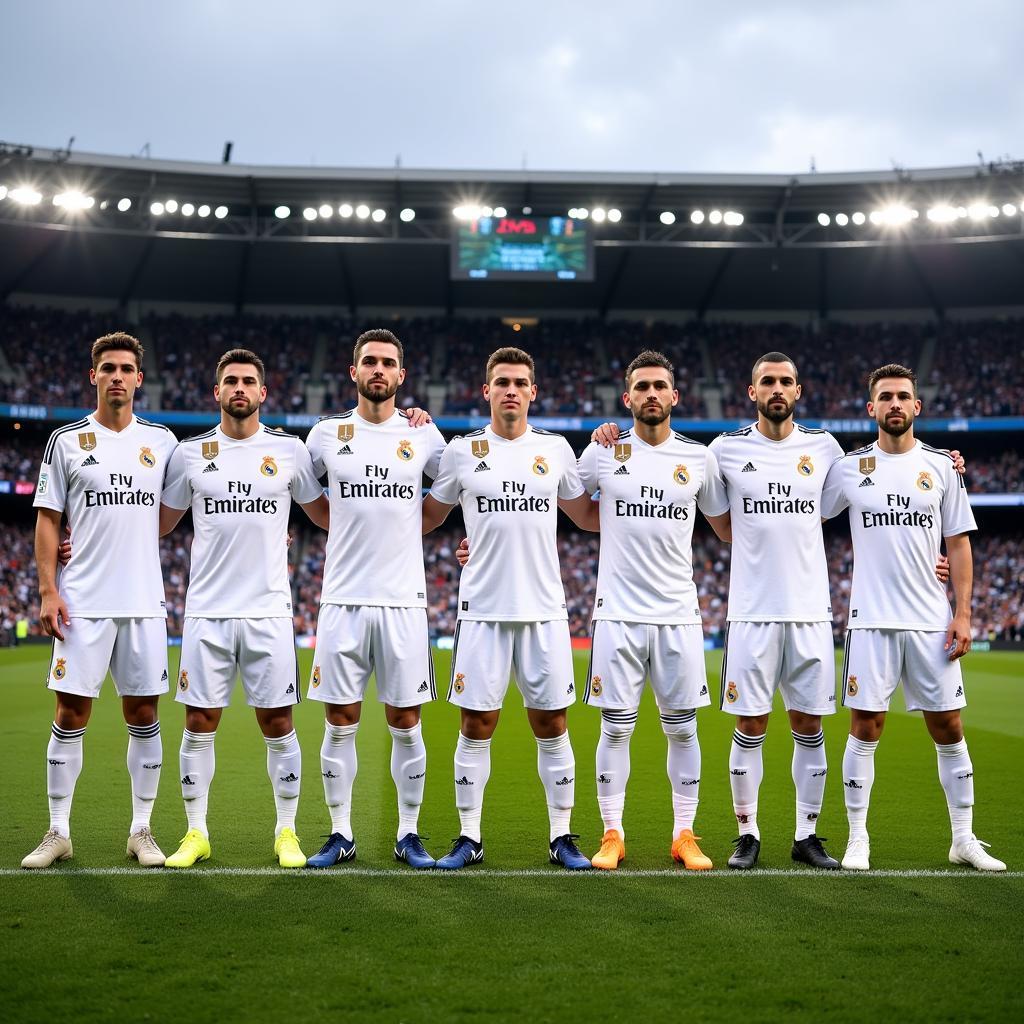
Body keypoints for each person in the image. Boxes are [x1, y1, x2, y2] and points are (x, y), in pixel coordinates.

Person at [593, 351, 960, 870]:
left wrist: (944, 471)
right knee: (751, 724)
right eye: (768, 382)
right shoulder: (722, 451)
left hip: (811, 611)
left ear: (799, 390)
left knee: (809, 725)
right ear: (752, 392)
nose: (778, 389)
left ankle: (806, 835)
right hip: (749, 611)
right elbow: (719, 522)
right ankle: (748, 835)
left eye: (786, 381)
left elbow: (877, 485)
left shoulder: (826, 449)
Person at [821, 363, 1004, 872]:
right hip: (871, 621)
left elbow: (959, 544)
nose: (895, 404)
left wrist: (964, 615)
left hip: (930, 620)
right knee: (866, 725)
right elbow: (802, 513)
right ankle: (858, 838)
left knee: (948, 726)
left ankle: (963, 839)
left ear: (916, 406)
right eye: (886, 397)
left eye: (903, 396)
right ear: (871, 408)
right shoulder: (849, 468)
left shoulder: (944, 467)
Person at [421, 346, 599, 871]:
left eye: (520, 382)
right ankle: (468, 837)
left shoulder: (557, 450)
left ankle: (562, 836)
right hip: (481, 610)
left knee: (552, 722)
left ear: (533, 392)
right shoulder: (461, 451)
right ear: (487, 391)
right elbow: (428, 515)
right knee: (476, 723)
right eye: (502, 382)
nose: (512, 390)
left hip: (544, 608)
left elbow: (587, 515)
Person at [157, 349, 329, 869]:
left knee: (278, 721)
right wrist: (84, 543)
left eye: (248, 381)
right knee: (199, 721)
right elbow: (156, 523)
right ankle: (195, 832)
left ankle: (287, 832)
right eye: (230, 380)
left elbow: (331, 515)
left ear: (263, 392)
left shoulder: (290, 451)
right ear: (217, 392)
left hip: (269, 612)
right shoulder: (191, 454)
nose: (239, 388)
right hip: (206, 611)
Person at [23, 332, 177, 869]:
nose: (117, 376)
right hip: (82, 601)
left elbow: (204, 492)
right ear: (94, 376)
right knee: (70, 712)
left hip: (142, 604)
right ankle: (58, 831)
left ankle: (142, 830)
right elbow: (47, 518)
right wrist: (48, 590)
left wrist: (271, 530)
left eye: (126, 368)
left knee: (144, 714)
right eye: (107, 367)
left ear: (139, 379)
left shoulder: (162, 443)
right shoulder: (66, 441)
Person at [578, 351, 731, 870]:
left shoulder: (701, 459)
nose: (650, 394)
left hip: (677, 614)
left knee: (682, 728)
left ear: (674, 396)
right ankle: (612, 833)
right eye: (640, 386)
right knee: (615, 728)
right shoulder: (603, 452)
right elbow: (573, 508)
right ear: (627, 399)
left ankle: (684, 833)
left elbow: (728, 525)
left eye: (659, 386)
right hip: (617, 613)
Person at [303, 329, 446, 869]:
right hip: (342, 600)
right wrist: (335, 525)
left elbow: (453, 492)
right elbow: (306, 497)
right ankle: (341, 832)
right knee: (339, 718)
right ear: (353, 371)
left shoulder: (425, 436)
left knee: (406, 718)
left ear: (401, 376)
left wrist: (420, 526)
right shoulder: (325, 434)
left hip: (404, 602)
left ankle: (408, 833)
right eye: (370, 362)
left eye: (388, 363)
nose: (379, 370)